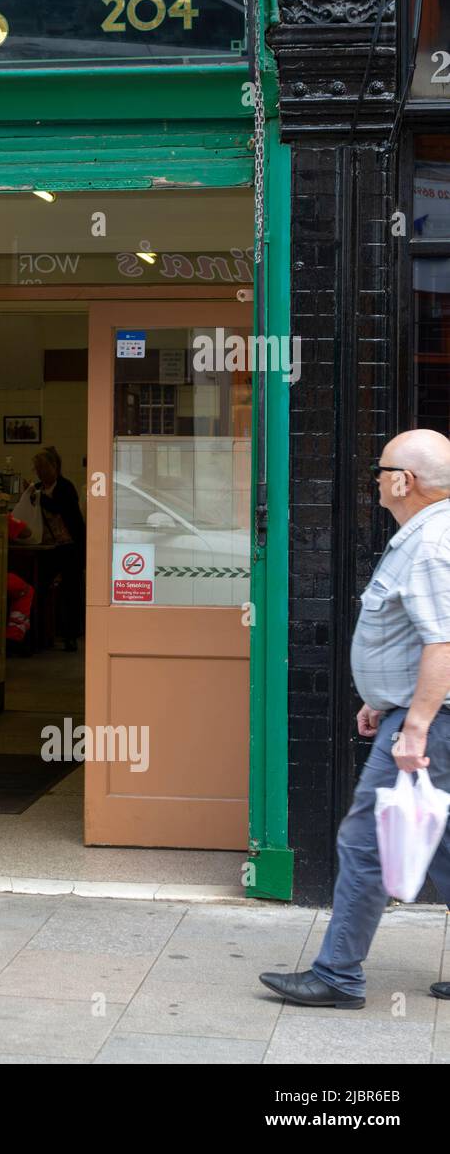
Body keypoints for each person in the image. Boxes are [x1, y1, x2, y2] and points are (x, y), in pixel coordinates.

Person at [260, 429, 450, 1009]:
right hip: (418, 712)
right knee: (442, 846)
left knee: (365, 841)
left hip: (431, 722)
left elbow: (443, 644)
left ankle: (338, 975)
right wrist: (386, 697)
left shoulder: (432, 544)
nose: (374, 479)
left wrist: (413, 725)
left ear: (404, 481)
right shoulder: (425, 535)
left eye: (380, 468)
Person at [32, 446, 85, 653]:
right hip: (49, 547)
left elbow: (58, 508)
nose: (41, 473)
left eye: (44, 468)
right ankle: (40, 634)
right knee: (41, 587)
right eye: (37, 469)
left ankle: (71, 636)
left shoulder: (66, 487)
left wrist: (37, 496)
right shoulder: (37, 489)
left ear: (55, 467)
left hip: (70, 546)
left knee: (71, 592)